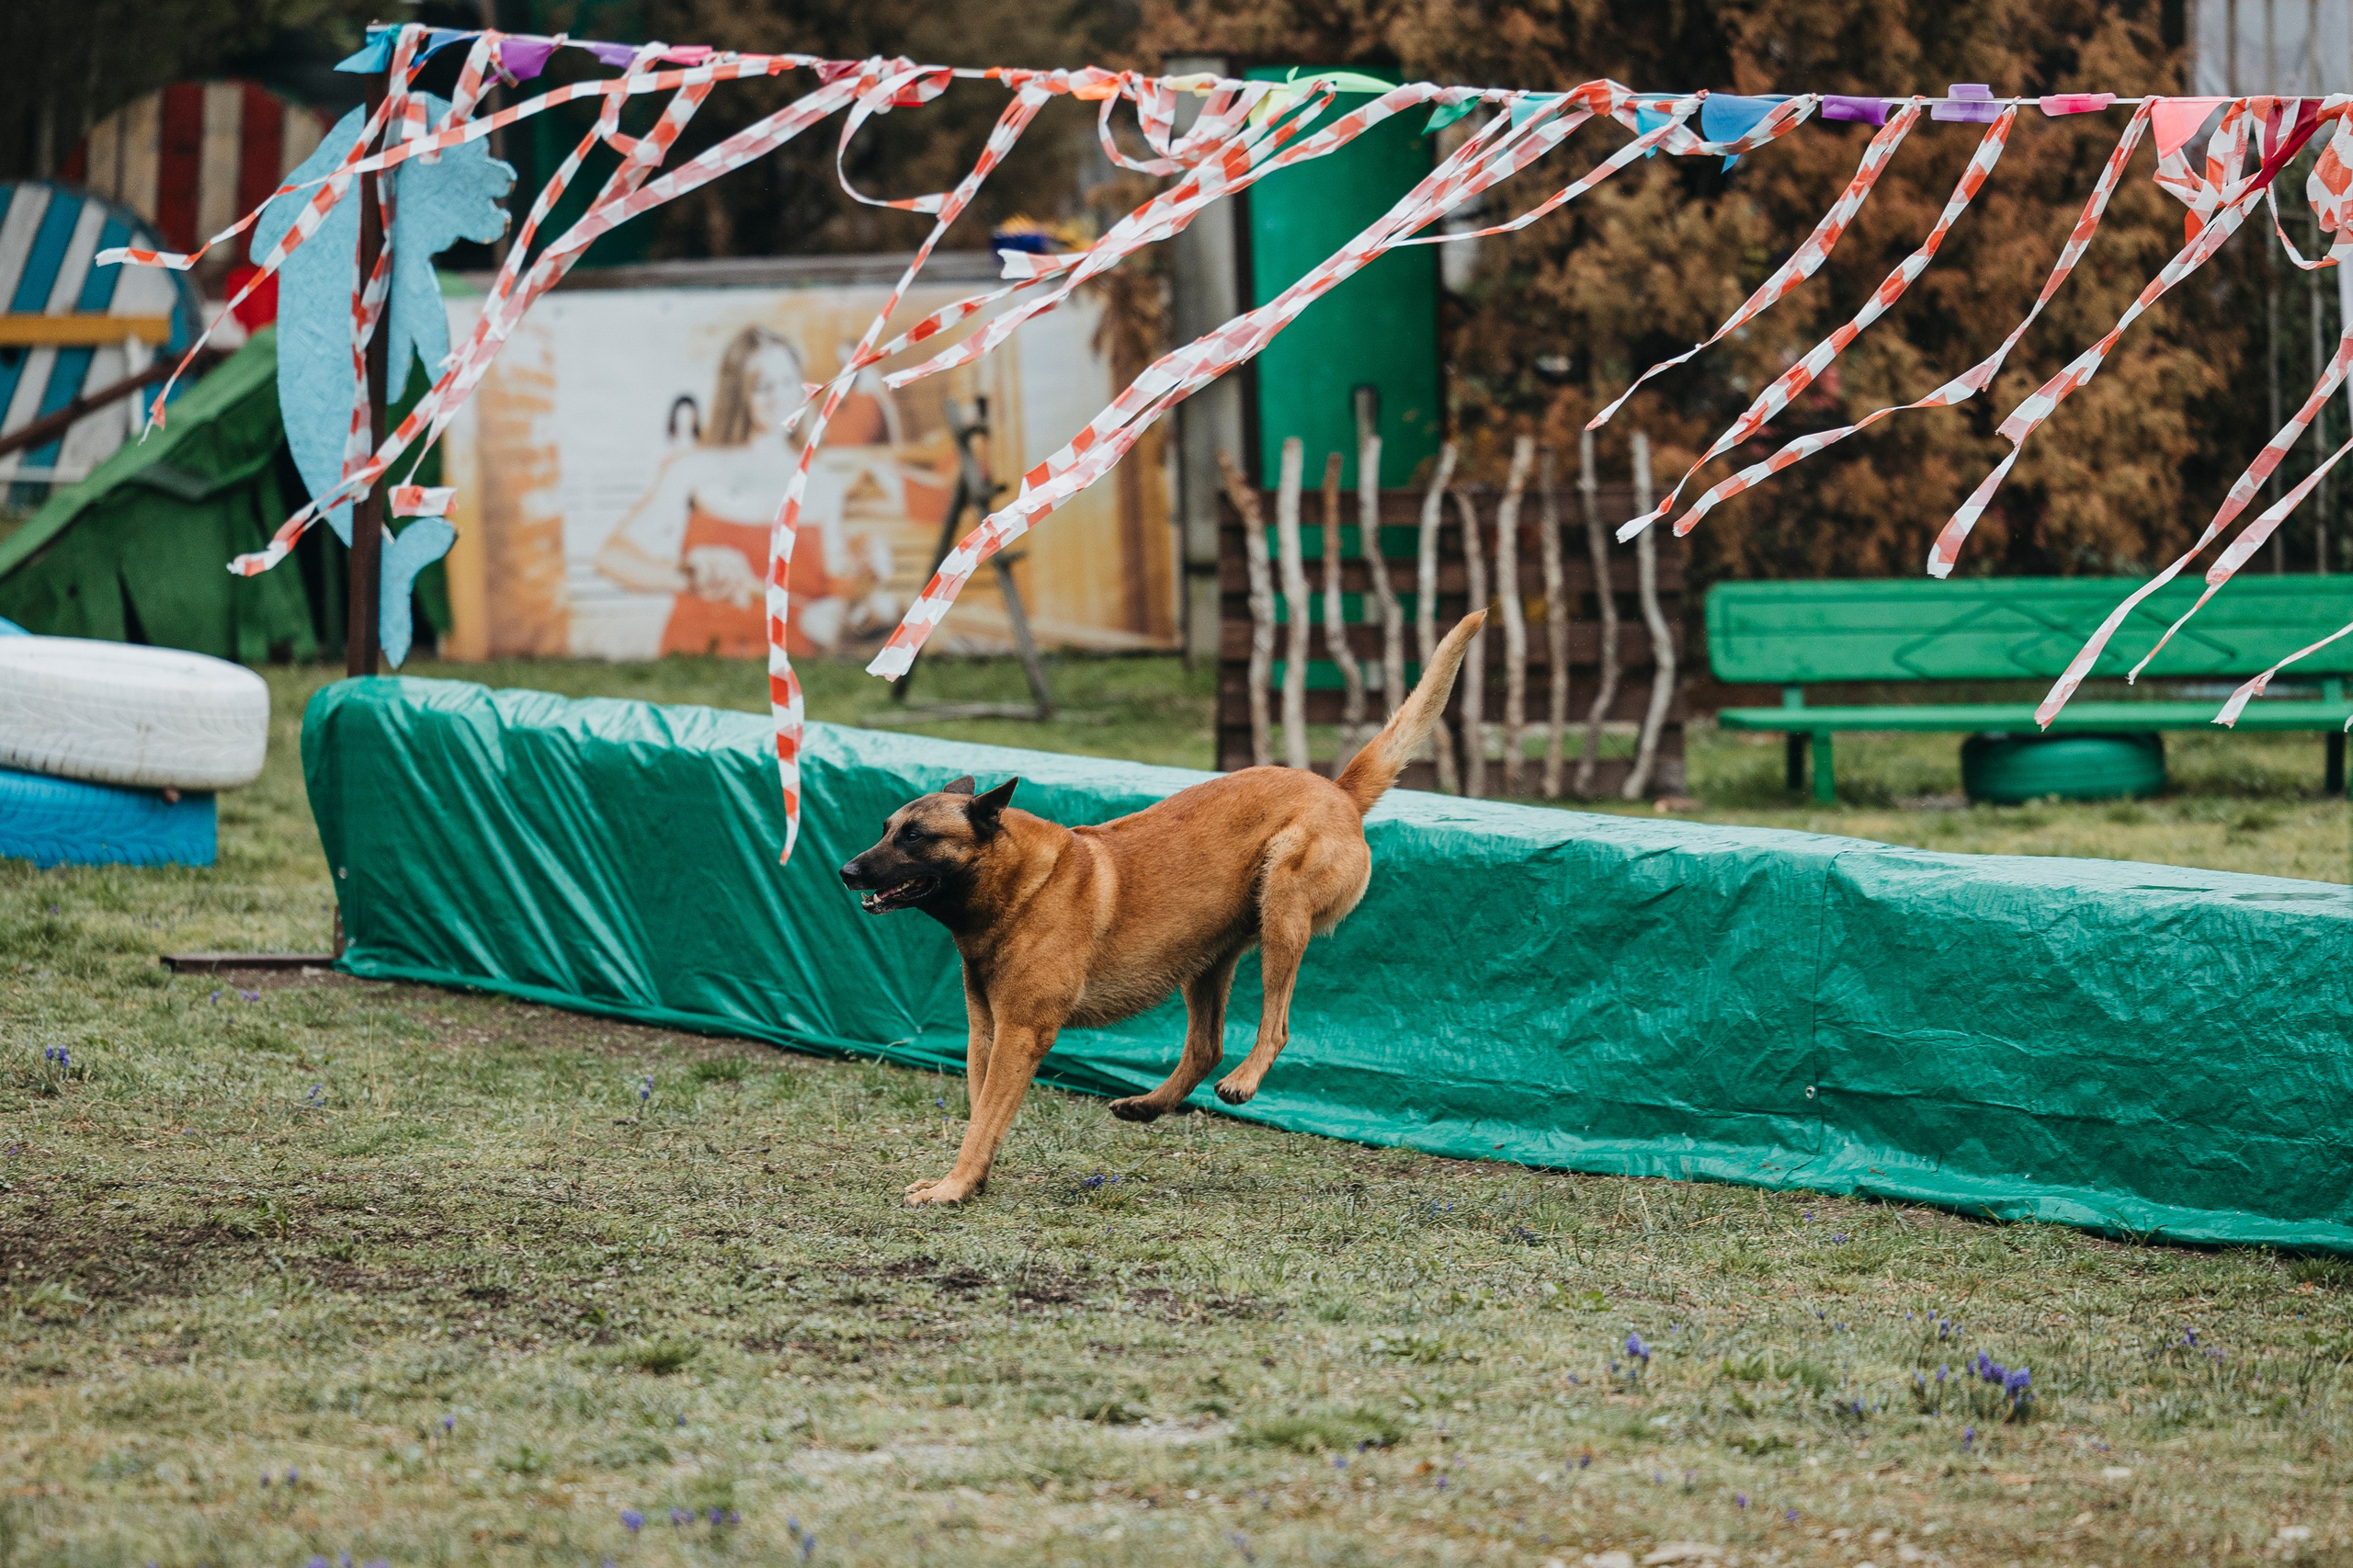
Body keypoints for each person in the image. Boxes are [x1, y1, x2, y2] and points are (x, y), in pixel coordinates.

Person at [595, 326, 892, 657]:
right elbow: (612, 558)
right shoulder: (693, 468)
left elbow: (830, 596)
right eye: (763, 386)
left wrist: (867, 576)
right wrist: (689, 577)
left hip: (792, 656)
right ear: (738, 394)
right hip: (701, 654)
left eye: (788, 382)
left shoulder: (822, 482)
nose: (779, 397)